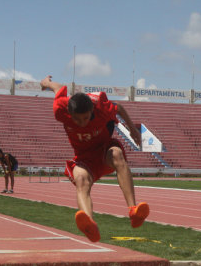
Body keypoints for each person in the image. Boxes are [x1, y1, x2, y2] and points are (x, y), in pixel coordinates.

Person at [40, 75, 149, 242]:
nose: (81, 123)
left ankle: (133, 210)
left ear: (92, 110)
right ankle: (89, 224)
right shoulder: (60, 108)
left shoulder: (100, 107)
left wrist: (133, 130)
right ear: (69, 112)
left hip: (105, 150)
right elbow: (56, 87)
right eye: (76, 119)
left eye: (85, 118)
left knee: (117, 155)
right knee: (81, 179)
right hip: (84, 157)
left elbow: (118, 107)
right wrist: (45, 83)